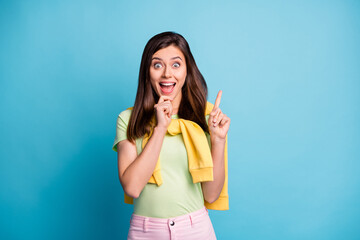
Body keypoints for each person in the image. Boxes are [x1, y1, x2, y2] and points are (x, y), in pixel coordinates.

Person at [112, 31, 230, 240]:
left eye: (176, 64)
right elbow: (132, 187)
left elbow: (211, 195)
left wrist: (218, 139)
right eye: (157, 65)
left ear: (187, 70)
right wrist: (160, 128)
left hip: (196, 229)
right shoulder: (128, 119)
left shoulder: (207, 115)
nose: (167, 74)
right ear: (147, 72)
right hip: (146, 232)